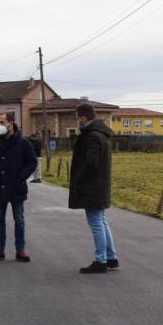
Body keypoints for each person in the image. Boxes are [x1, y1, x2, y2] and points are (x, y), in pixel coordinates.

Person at [69, 101, 118, 273]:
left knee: (96, 223)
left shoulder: (92, 136)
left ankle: (101, 260)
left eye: (77, 118)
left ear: (83, 117)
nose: (77, 121)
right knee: (102, 221)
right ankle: (111, 257)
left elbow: (91, 162)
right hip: (100, 186)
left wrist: (79, 179)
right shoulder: (102, 135)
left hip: (92, 187)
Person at [0, 111, 37, 262]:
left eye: (2, 122)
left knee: (19, 219)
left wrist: (21, 177)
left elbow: (32, 162)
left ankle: (20, 250)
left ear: (11, 123)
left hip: (16, 187)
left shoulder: (23, 143)